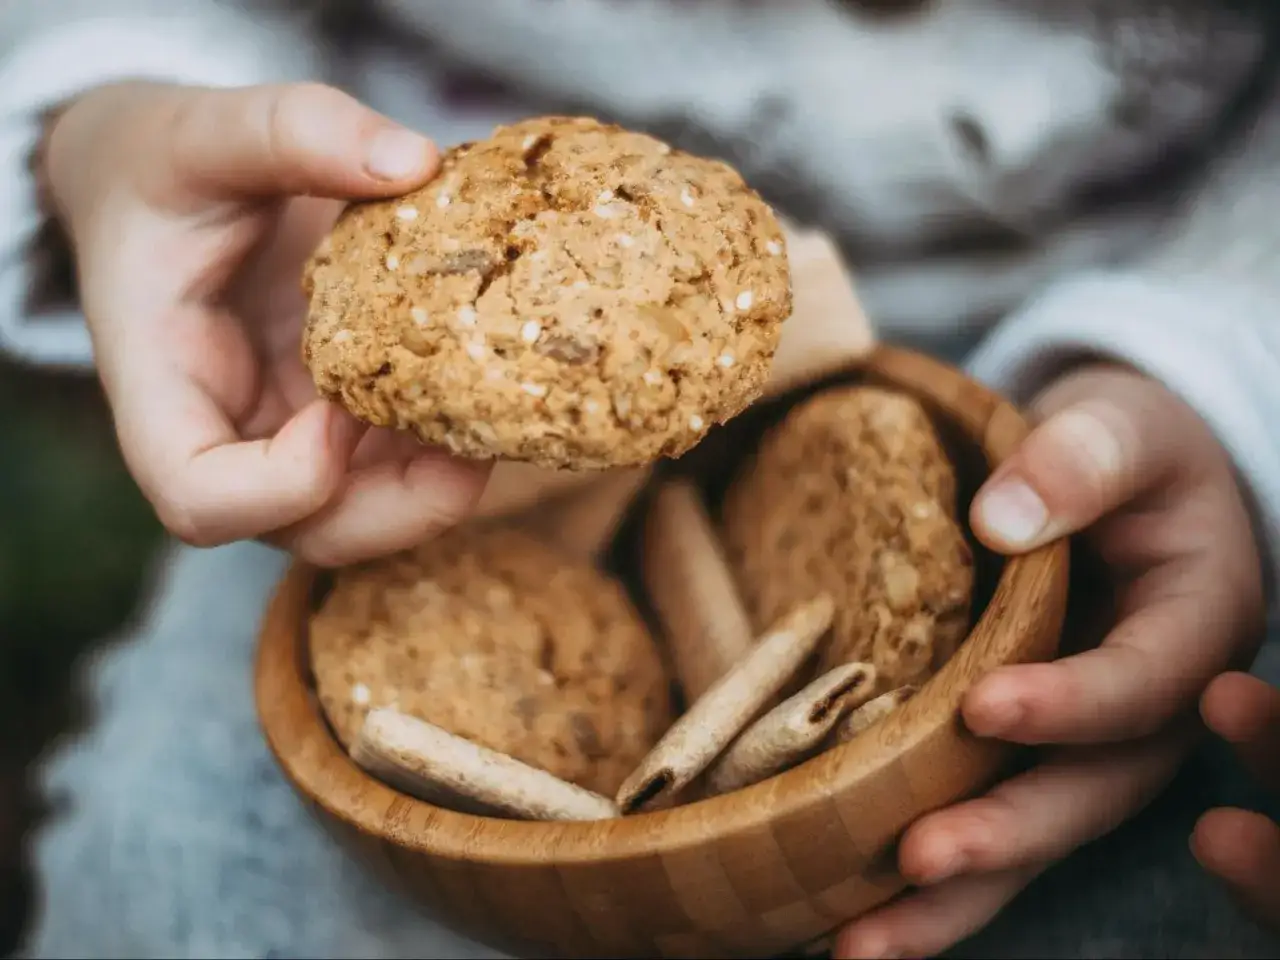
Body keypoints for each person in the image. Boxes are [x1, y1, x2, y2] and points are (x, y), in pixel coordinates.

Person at [2, 1, 1280, 957]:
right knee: (170, 883)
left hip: (1143, 352)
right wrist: (110, 118)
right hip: (358, 399)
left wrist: (1214, 361)